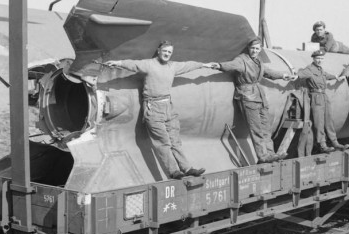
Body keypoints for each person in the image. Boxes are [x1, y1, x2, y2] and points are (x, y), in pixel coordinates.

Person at [106, 41, 212, 179]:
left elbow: (188, 65)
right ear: (159, 51)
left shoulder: (173, 66)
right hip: (153, 108)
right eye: (165, 51)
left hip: (168, 107)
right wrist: (119, 63)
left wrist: (204, 65)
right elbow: (134, 64)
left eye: (169, 52)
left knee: (175, 141)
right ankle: (173, 171)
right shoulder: (149, 64)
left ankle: (187, 168)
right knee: (163, 142)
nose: (167, 54)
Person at [209, 38, 295, 164]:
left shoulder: (258, 61)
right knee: (256, 129)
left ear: (260, 49)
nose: (254, 51)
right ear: (249, 48)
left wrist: (283, 75)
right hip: (247, 96)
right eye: (252, 48)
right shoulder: (242, 59)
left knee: (266, 128)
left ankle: (271, 153)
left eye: (257, 49)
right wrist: (219, 65)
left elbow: (267, 72)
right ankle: (263, 156)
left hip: (259, 96)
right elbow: (231, 65)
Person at [297, 50, 349, 153]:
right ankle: (322, 144)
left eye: (321, 59)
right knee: (319, 122)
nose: (320, 60)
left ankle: (335, 142)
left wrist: (335, 77)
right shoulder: (309, 69)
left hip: (324, 96)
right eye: (318, 58)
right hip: (316, 96)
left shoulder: (320, 69)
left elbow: (326, 75)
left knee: (329, 120)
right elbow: (300, 74)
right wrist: (295, 76)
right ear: (313, 58)